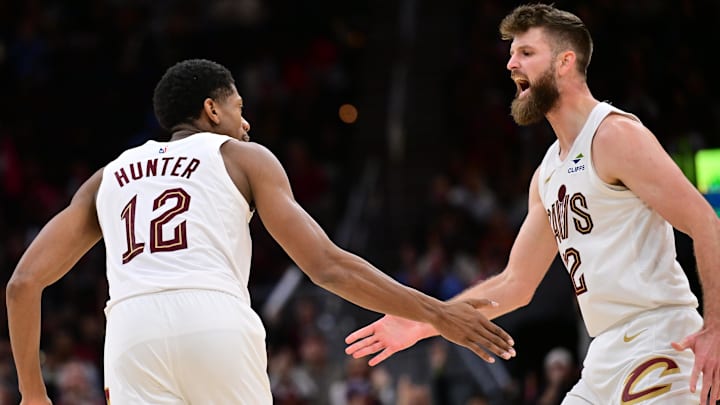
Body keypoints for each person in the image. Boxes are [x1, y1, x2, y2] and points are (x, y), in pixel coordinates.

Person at [5, 58, 516, 405]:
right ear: (212, 109)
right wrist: (435, 312)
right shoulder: (243, 157)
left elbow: (22, 284)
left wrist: (32, 392)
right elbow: (327, 265)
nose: (246, 124)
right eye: (239, 109)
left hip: (130, 333)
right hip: (213, 317)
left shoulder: (107, 176)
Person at [345, 4, 720, 404]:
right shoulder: (547, 172)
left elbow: (705, 221)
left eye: (525, 53)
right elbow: (515, 284)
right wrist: (426, 322)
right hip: (605, 354)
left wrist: (715, 328)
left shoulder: (615, 135)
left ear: (565, 62)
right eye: (511, 53)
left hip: (658, 339)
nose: (510, 64)